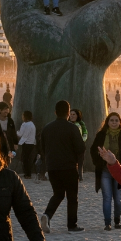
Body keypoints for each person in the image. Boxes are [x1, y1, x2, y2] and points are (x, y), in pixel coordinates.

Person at [39, 100, 87, 234]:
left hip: (52, 167)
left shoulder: (47, 128)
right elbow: (80, 148)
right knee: (72, 197)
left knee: (58, 194)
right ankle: (72, 225)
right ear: (68, 113)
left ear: (55, 112)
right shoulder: (72, 128)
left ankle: (47, 215)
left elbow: (42, 148)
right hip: (69, 167)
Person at [90, 113, 121, 231]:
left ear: (120, 122)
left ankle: (117, 221)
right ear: (107, 122)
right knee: (107, 197)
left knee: (118, 199)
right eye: (112, 120)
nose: (114, 122)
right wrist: (97, 161)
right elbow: (92, 149)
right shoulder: (101, 135)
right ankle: (107, 223)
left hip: (119, 170)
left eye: (116, 120)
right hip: (104, 170)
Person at [68, 109, 88, 182]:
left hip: (79, 146)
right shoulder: (67, 123)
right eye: (71, 114)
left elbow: (85, 133)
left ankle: (80, 175)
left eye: (74, 114)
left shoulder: (81, 123)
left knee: (80, 162)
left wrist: (81, 141)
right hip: (70, 146)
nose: (72, 116)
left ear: (77, 115)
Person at [17, 110, 37, 180]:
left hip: (26, 143)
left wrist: (15, 132)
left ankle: (27, 174)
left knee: (25, 159)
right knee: (28, 159)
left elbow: (20, 134)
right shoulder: (32, 124)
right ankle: (28, 173)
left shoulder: (24, 124)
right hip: (32, 143)